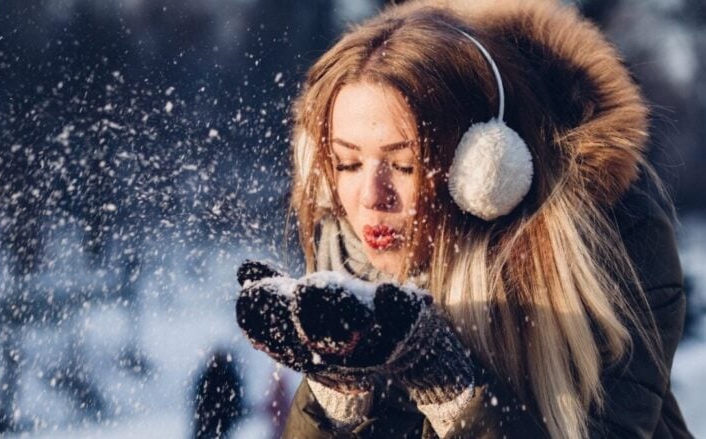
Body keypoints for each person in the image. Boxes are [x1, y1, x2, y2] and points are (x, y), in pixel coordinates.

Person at [235, 0, 693, 437]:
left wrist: (450, 388)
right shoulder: (345, 258)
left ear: (484, 169)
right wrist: (337, 399)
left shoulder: (613, 246)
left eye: (404, 166)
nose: (371, 197)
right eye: (347, 163)